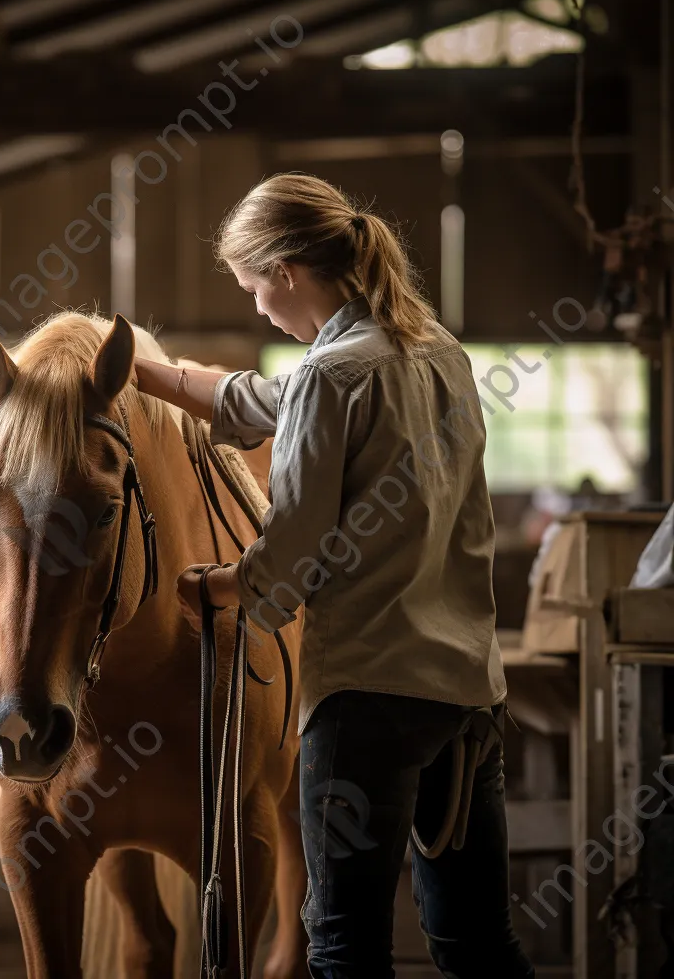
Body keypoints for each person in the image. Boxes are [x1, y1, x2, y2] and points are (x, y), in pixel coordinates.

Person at [134, 173, 533, 978]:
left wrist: (217, 589)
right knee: (475, 940)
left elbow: (291, 554)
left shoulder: (332, 375)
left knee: (345, 944)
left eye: (253, 287)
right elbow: (272, 399)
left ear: (286, 272)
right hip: (466, 692)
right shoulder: (438, 354)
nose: (254, 307)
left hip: (366, 700)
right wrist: (155, 374)